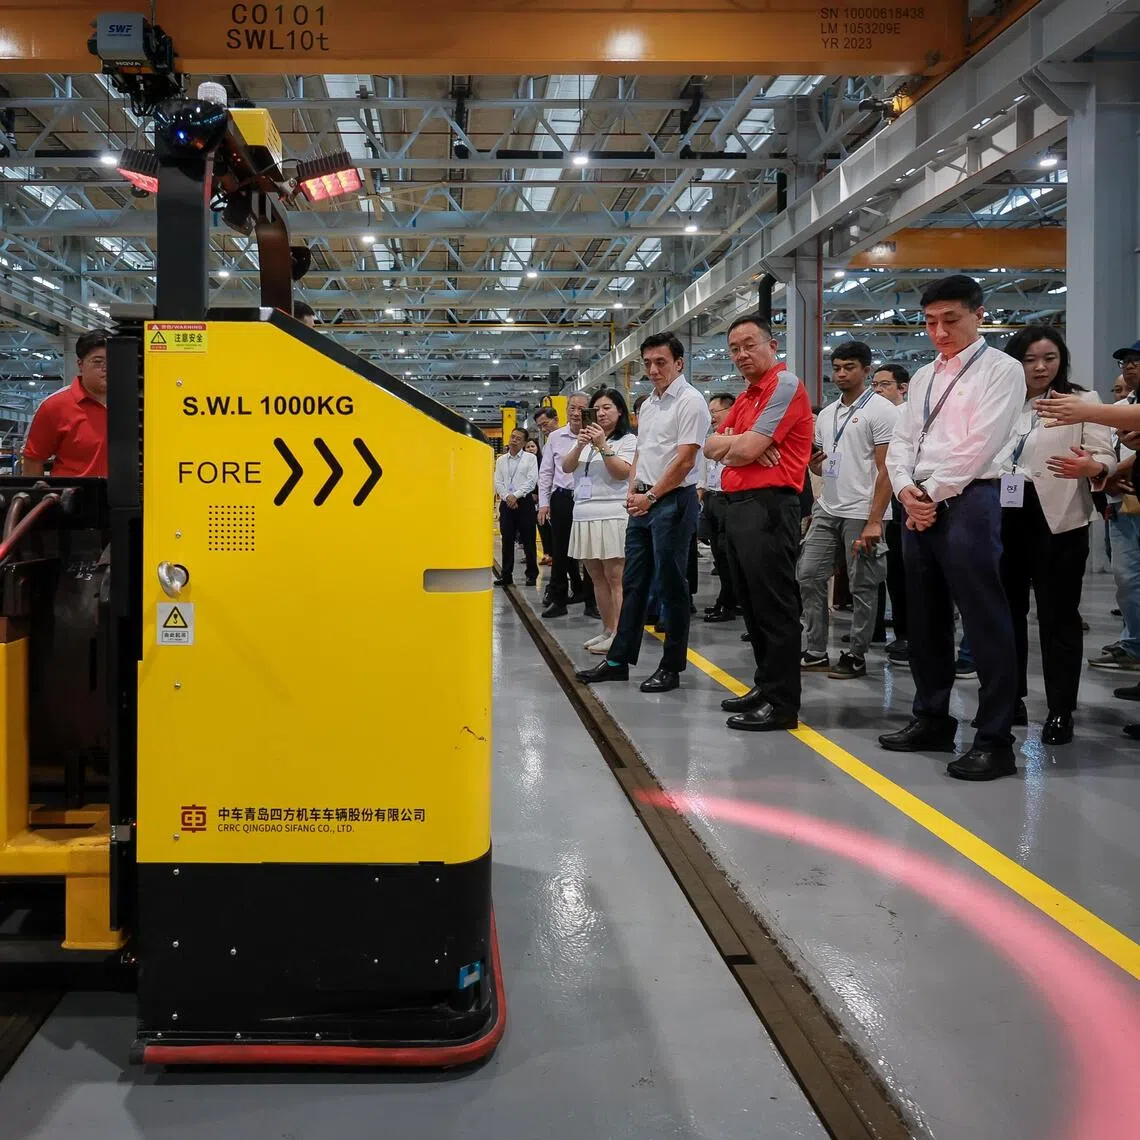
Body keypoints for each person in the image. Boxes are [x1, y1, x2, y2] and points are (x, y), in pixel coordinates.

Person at [880, 274, 1024, 781]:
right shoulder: (922, 376)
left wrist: (929, 493)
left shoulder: (1002, 370)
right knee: (923, 617)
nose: (939, 332)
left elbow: (981, 444)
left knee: (984, 618)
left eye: (951, 320)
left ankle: (995, 739)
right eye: (929, 322)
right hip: (917, 501)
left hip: (970, 498)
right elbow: (902, 440)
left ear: (979, 315)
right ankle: (931, 718)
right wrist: (905, 489)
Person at [996, 325, 1114, 746]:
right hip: (1003, 513)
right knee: (1005, 613)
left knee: (1058, 617)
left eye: (1049, 358)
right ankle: (1010, 699)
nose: (1040, 367)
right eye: (1029, 359)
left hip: (1060, 519)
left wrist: (1094, 467)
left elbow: (1105, 455)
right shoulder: (1000, 403)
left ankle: (1061, 709)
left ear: (1061, 360)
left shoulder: (1081, 400)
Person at [576, 332, 710, 694]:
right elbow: (641, 452)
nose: (653, 370)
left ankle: (671, 667)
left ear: (678, 363)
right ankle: (617, 661)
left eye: (660, 362)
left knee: (671, 585)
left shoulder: (691, 401)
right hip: (643, 501)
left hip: (673, 500)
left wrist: (651, 496)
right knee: (634, 583)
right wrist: (634, 490)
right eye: (648, 363)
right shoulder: (649, 404)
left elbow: (685, 460)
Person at [705, 314, 813, 731]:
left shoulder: (783, 385)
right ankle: (766, 686)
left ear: (772, 345)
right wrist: (741, 444)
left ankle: (783, 704)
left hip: (769, 506)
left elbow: (743, 448)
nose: (741, 354)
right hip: (739, 506)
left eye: (749, 345)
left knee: (774, 606)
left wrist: (742, 445)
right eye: (734, 349)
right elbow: (712, 446)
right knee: (750, 605)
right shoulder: (747, 396)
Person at [797, 341, 897, 680]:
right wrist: (815, 466)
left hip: (863, 511)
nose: (841, 374)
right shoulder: (827, 414)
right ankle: (815, 650)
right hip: (828, 506)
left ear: (866, 370)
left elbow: (887, 469)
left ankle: (856, 654)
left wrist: (875, 520)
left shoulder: (882, 411)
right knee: (808, 574)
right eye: (837, 367)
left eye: (849, 367)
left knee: (862, 586)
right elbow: (824, 464)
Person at [563, 388, 637, 655]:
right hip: (584, 513)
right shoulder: (583, 440)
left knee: (615, 577)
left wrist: (603, 445)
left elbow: (622, 473)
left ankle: (620, 634)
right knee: (596, 577)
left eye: (607, 408)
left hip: (612, 514)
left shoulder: (627, 440)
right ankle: (608, 629)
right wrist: (581, 444)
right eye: (597, 409)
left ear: (620, 412)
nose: (602, 413)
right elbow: (567, 467)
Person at [22, 331, 109, 477]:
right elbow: (33, 460)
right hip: (75, 491)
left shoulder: (136, 404)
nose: (106, 368)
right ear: (80, 365)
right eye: (97, 362)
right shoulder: (55, 407)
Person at [872, 363, 911, 663]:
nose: (878, 390)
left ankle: (907, 634)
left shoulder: (909, 416)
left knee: (904, 571)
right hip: (879, 499)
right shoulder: (874, 417)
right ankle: (885, 630)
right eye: (875, 385)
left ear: (902, 387)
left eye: (884, 385)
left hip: (905, 498)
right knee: (884, 570)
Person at [536, 399, 590, 617]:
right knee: (560, 551)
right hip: (562, 498)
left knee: (590, 551)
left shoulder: (597, 435)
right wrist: (544, 503)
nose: (576, 413)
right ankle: (558, 600)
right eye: (572, 408)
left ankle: (591, 601)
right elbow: (546, 472)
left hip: (588, 499)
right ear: (566, 411)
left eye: (581, 409)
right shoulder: (555, 438)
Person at [701, 393, 739, 623]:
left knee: (728, 556)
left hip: (729, 500)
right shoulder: (712, 438)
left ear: (730, 410)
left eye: (715, 412)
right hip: (712, 498)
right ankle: (725, 600)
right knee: (718, 556)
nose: (712, 417)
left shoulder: (739, 437)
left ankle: (729, 603)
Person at [494, 428, 539, 587]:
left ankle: (532, 574)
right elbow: (498, 482)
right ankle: (506, 575)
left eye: (518, 439)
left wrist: (516, 495)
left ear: (524, 442)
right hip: (507, 504)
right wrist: (507, 497)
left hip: (524, 502)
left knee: (528, 540)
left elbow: (532, 481)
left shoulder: (530, 459)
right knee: (507, 540)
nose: (514, 440)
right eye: (513, 437)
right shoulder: (501, 460)